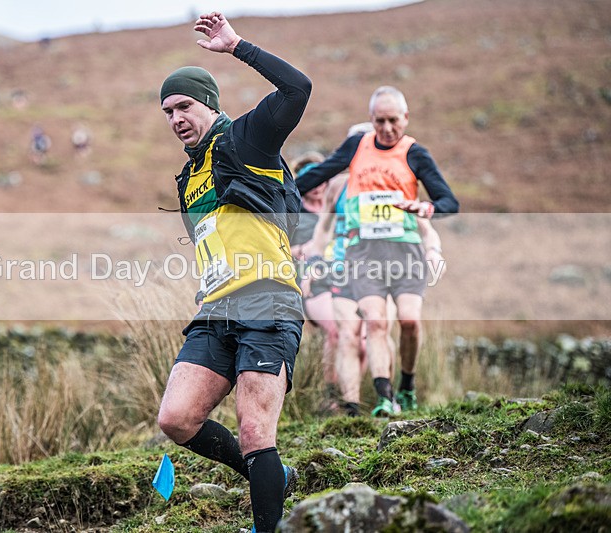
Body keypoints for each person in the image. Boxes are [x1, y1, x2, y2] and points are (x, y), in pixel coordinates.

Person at [156, 12, 311, 533]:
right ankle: (271, 475)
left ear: (210, 104)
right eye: (168, 111)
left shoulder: (249, 138)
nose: (176, 117)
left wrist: (237, 46)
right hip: (217, 310)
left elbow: (298, 88)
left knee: (254, 429)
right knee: (176, 419)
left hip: (268, 300)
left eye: (184, 105)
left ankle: (265, 525)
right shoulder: (187, 178)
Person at [297, 86, 457, 417]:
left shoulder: (412, 156)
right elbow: (323, 202)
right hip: (357, 259)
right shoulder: (344, 175)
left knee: (405, 322)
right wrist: (275, 189)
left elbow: (442, 205)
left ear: (405, 119)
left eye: (392, 121)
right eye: (378, 122)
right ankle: (363, 401)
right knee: (358, 329)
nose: (385, 130)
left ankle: (404, 387)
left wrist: (430, 235)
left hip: (402, 253)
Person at [288, 152, 342, 416]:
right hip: (309, 282)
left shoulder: (337, 209)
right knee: (334, 331)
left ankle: (352, 395)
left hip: (342, 278)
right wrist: (302, 249)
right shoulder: (293, 211)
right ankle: (329, 396)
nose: (318, 184)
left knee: (360, 337)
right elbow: (278, 246)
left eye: (321, 177)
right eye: (312, 178)